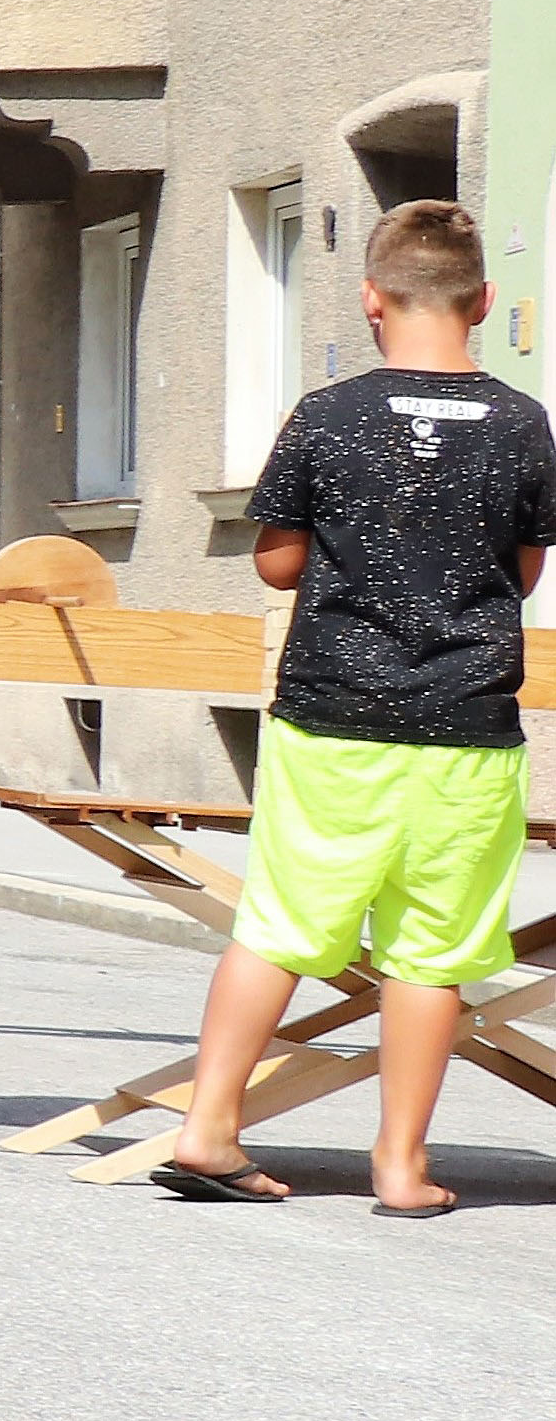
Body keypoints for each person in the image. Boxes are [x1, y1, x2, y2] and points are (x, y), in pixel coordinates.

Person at [152, 198, 556, 1215]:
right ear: (485, 300)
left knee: (280, 925)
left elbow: (279, 561)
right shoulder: (522, 422)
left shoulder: (327, 414)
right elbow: (527, 573)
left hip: (329, 716)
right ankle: (401, 1168)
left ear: (371, 298)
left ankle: (208, 1128)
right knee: (431, 952)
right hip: (465, 728)